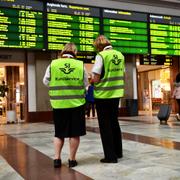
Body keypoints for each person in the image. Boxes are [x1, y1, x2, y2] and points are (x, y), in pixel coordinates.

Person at [43, 43, 88, 168]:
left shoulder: (53, 64)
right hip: (76, 104)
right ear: (75, 52)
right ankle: (72, 160)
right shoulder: (80, 65)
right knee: (74, 133)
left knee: (59, 133)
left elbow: (45, 81)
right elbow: (85, 83)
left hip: (59, 104)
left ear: (62, 52)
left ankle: (57, 159)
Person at [91, 35, 125, 163]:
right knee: (114, 123)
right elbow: (122, 72)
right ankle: (118, 152)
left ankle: (110, 156)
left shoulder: (101, 56)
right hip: (116, 94)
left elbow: (96, 78)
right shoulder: (120, 55)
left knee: (105, 126)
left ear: (99, 46)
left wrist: (91, 80)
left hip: (103, 95)